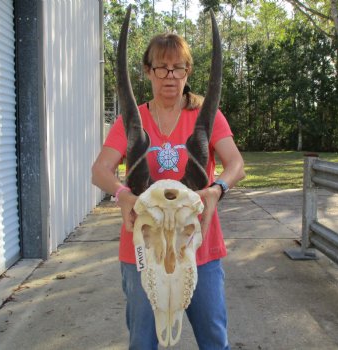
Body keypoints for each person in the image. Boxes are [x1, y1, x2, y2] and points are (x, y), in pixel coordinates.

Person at [92, 33, 245, 350]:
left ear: (188, 70)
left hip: (199, 249)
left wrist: (217, 190)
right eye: (161, 67)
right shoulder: (130, 121)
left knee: (215, 340)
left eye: (178, 67)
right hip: (143, 252)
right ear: (148, 71)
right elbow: (100, 170)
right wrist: (123, 196)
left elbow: (236, 164)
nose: (170, 76)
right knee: (143, 342)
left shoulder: (207, 116)